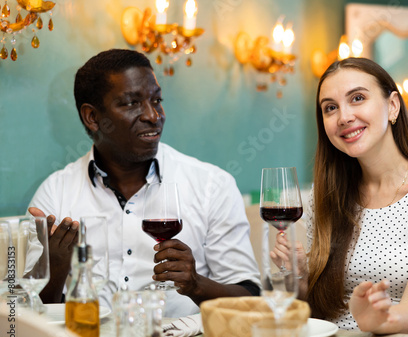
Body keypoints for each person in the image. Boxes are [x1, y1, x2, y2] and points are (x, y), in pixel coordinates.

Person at [28, 49, 260, 316]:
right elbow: (25, 319)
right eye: (131, 103)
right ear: (92, 117)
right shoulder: (55, 196)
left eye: (157, 100)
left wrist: (197, 285)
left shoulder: (211, 185)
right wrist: (55, 269)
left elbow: (251, 299)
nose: (153, 115)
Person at [272, 57, 408, 336]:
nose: (344, 117)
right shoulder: (325, 196)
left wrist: (377, 319)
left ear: (392, 106)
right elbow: (316, 310)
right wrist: (300, 275)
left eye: (358, 98)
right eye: (330, 108)